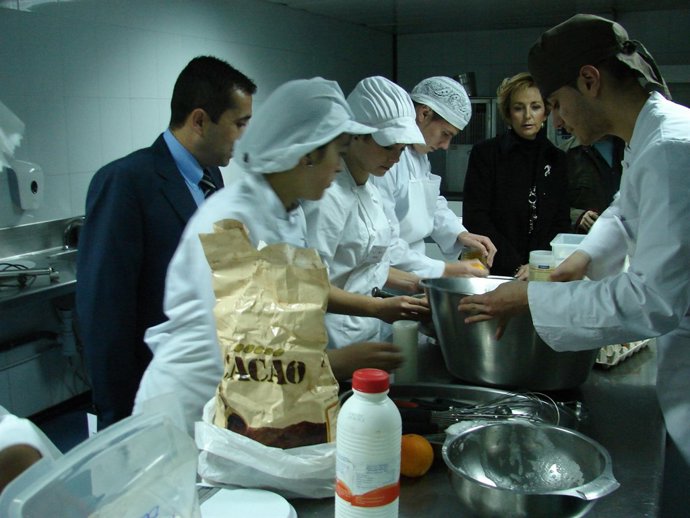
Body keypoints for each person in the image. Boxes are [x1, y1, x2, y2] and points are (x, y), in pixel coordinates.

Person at [456, 14, 689, 515]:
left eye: (556, 104)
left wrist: (534, 297)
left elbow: (654, 299)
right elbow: (624, 212)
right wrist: (577, 262)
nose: (556, 122)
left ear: (589, 80)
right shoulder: (651, 138)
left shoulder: (672, 149)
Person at [134, 77, 414, 434]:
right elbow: (243, 349)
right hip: (192, 404)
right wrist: (336, 362)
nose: (339, 167)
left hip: (244, 401)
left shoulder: (287, 211)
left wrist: (375, 308)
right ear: (307, 154)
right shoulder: (232, 220)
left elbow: (299, 288)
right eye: (337, 153)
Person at [76, 56, 256, 429]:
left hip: (204, 383)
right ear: (200, 120)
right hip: (150, 390)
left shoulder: (212, 177)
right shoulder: (127, 182)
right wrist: (119, 420)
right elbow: (104, 312)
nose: (244, 136)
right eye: (239, 124)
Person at [302, 76, 431, 349]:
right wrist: (377, 308)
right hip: (330, 340)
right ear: (352, 135)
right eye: (387, 146)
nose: (395, 158)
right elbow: (309, 285)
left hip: (364, 332)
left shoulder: (369, 188)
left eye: (401, 148)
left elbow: (365, 265)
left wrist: (420, 285)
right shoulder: (326, 196)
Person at [371, 76, 496, 278]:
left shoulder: (420, 156)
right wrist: (445, 270)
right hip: (389, 276)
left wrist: (460, 234)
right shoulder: (386, 162)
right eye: (445, 134)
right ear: (424, 113)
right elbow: (384, 244)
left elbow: (431, 203)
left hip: (413, 271)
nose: (445, 146)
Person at [462, 72, 572, 278]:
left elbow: (561, 221)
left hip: (540, 270)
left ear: (546, 112)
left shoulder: (557, 159)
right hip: (491, 267)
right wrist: (514, 265)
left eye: (535, 107)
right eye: (519, 108)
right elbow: (475, 217)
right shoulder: (486, 153)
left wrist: (539, 262)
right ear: (508, 113)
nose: (527, 115)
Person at [561, 134, 624, 233]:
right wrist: (578, 216)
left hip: (631, 233)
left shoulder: (630, 145)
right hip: (588, 236)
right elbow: (552, 205)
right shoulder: (565, 154)